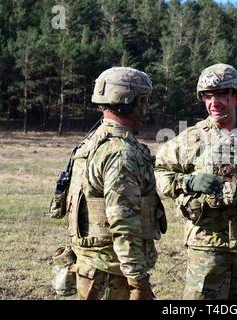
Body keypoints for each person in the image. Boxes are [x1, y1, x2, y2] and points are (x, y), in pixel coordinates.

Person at [49, 67, 166, 300]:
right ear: (129, 102)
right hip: (112, 275)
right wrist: (138, 282)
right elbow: (123, 222)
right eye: (143, 101)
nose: (146, 108)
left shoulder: (91, 143)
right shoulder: (121, 153)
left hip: (91, 267)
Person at [154, 63, 237, 300]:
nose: (214, 103)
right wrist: (187, 182)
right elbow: (160, 172)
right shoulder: (189, 139)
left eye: (221, 95)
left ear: (236, 96)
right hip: (205, 245)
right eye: (208, 96)